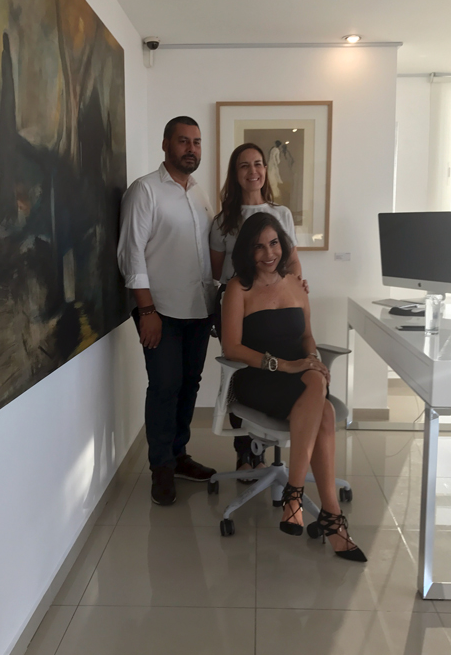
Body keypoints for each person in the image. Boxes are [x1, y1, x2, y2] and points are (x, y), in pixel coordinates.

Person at [221, 213, 366, 562]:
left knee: (320, 395)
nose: (268, 253)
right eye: (258, 246)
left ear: (283, 245)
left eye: (274, 243)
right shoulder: (238, 289)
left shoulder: (296, 284)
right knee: (322, 401)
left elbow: (307, 337)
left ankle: (301, 498)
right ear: (247, 251)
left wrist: (312, 358)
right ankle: (322, 513)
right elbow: (232, 348)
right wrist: (285, 365)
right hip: (257, 376)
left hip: (298, 374)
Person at [117, 116, 216, 506]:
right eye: (183, 141)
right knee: (164, 387)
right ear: (165, 144)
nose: (191, 149)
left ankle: (178, 455)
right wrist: (147, 312)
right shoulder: (145, 190)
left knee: (189, 384)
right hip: (161, 311)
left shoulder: (200, 194)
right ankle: (160, 467)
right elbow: (131, 254)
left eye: (197, 142)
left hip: (199, 309)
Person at [210, 142, 305, 478]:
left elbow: (292, 261)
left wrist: (296, 288)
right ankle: (245, 452)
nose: (253, 171)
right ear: (235, 174)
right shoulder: (223, 220)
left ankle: (267, 447)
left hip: (275, 307)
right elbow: (217, 271)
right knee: (243, 371)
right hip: (238, 307)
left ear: (265, 169)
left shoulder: (282, 214)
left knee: (277, 369)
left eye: (258, 164)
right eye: (244, 165)